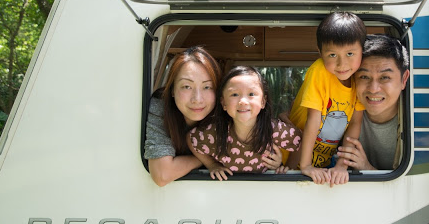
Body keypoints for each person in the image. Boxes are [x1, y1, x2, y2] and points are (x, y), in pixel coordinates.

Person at [144, 47, 282, 186]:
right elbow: (162, 174)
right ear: (172, 90)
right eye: (186, 86)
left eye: (207, 87)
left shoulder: (232, 110)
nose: (197, 99)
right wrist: (209, 158)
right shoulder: (161, 108)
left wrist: (273, 161)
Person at [287, 12, 366, 186]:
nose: (342, 64)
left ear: (362, 49)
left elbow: (355, 123)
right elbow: (313, 120)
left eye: (350, 54)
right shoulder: (320, 71)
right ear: (320, 53)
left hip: (321, 165)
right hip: (291, 159)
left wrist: (341, 165)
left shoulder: (359, 78)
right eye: (332, 55)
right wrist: (306, 165)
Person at [188, 66, 302, 180]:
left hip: (264, 188)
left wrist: (288, 169)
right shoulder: (216, 133)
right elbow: (191, 139)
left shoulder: (273, 129)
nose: (243, 101)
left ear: (263, 101)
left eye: (251, 94)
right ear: (223, 103)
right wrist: (212, 165)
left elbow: (301, 141)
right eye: (234, 94)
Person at [336, 34, 410, 171]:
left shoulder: (415, 124)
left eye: (385, 77)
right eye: (364, 77)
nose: (373, 89)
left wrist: (366, 168)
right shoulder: (342, 111)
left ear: (404, 79)